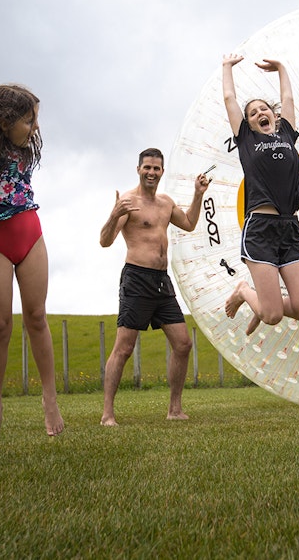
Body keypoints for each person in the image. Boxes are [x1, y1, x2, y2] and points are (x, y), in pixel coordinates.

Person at [0, 9, 64, 450]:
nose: (34, 127)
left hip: (30, 235)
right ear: (5, 121)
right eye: (29, 120)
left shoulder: (24, 147)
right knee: (0, 326)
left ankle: (50, 399)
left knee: (37, 318)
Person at [99, 148, 210, 426]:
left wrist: (198, 194)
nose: (151, 172)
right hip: (136, 279)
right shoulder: (128, 202)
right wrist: (114, 214)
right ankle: (107, 414)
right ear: (138, 169)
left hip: (162, 282)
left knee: (183, 344)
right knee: (124, 348)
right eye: (147, 167)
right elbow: (105, 241)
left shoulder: (165, 203)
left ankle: (174, 409)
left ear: (162, 172)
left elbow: (189, 223)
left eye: (156, 168)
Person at [221, 55, 299, 336]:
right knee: (272, 316)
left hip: (289, 228)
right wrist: (227, 67)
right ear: (248, 123)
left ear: (274, 116)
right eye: (253, 113)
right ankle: (245, 292)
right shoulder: (246, 140)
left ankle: (263, 304)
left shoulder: (286, 134)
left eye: (264, 109)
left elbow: (288, 98)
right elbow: (229, 99)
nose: (260, 113)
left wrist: (282, 69)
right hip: (260, 229)